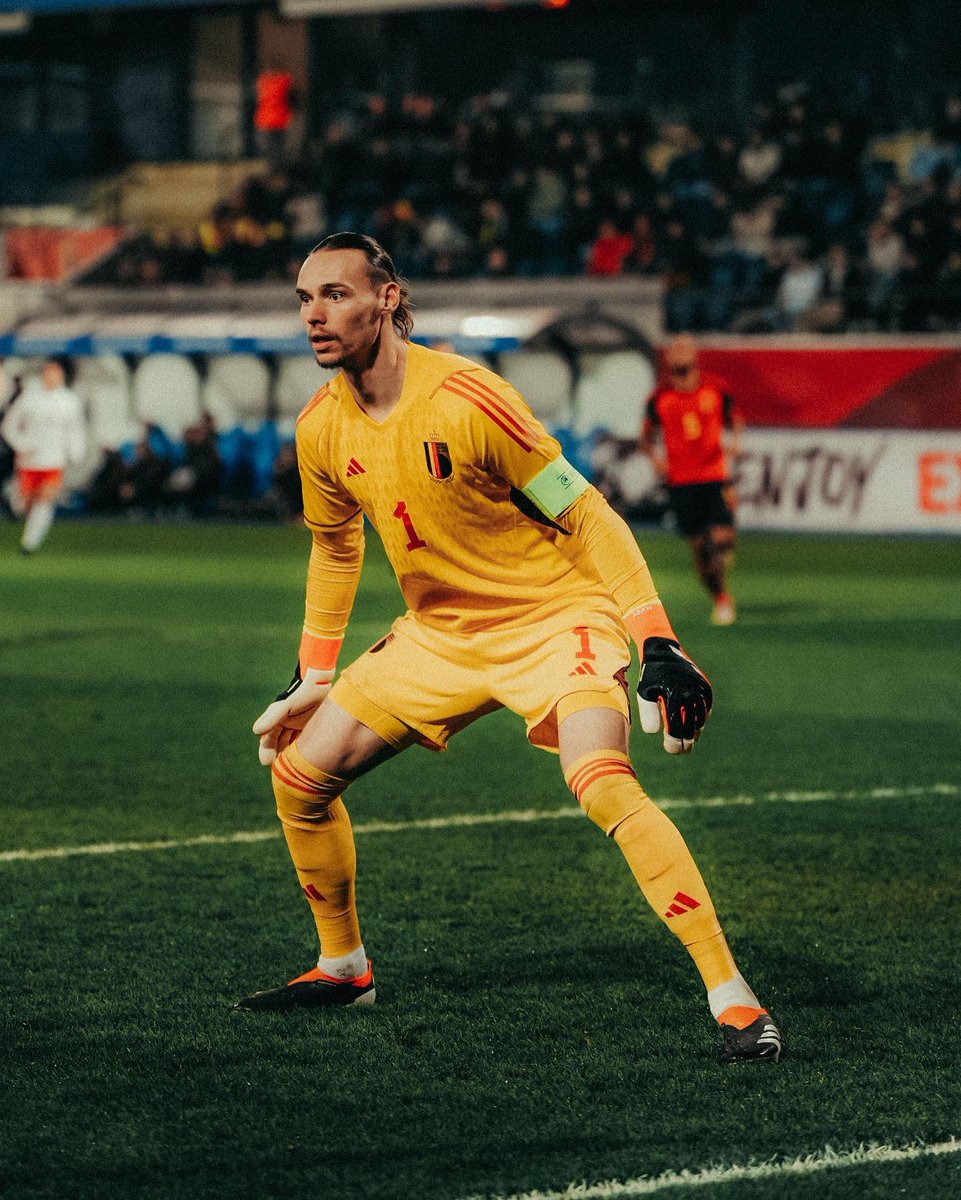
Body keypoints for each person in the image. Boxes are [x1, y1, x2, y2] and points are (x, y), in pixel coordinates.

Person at [236, 234, 782, 1064]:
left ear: (387, 298)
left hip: (555, 618)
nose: (315, 314)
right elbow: (335, 546)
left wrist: (656, 640)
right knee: (300, 779)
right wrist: (315, 673)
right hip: (440, 635)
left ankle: (730, 992)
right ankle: (343, 966)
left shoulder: (469, 397)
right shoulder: (320, 428)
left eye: (337, 295)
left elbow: (586, 512)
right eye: (305, 299)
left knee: (600, 785)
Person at [640, 335, 743, 625]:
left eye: (685, 348)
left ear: (695, 355)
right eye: (674, 349)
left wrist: (735, 441)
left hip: (714, 475)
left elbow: (735, 418)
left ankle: (722, 559)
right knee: (702, 546)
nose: (679, 353)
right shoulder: (660, 397)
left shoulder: (716, 388)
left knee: (724, 538)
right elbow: (646, 439)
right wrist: (658, 461)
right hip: (682, 481)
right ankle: (722, 599)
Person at [0, 359, 86, 554]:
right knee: (26, 504)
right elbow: (8, 426)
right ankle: (14, 502)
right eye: (48, 372)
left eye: (55, 372)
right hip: (30, 461)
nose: (51, 376)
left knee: (46, 499)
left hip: (54, 460)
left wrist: (76, 452)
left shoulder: (69, 401)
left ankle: (30, 543)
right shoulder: (30, 398)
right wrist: (21, 444)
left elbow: (76, 430)